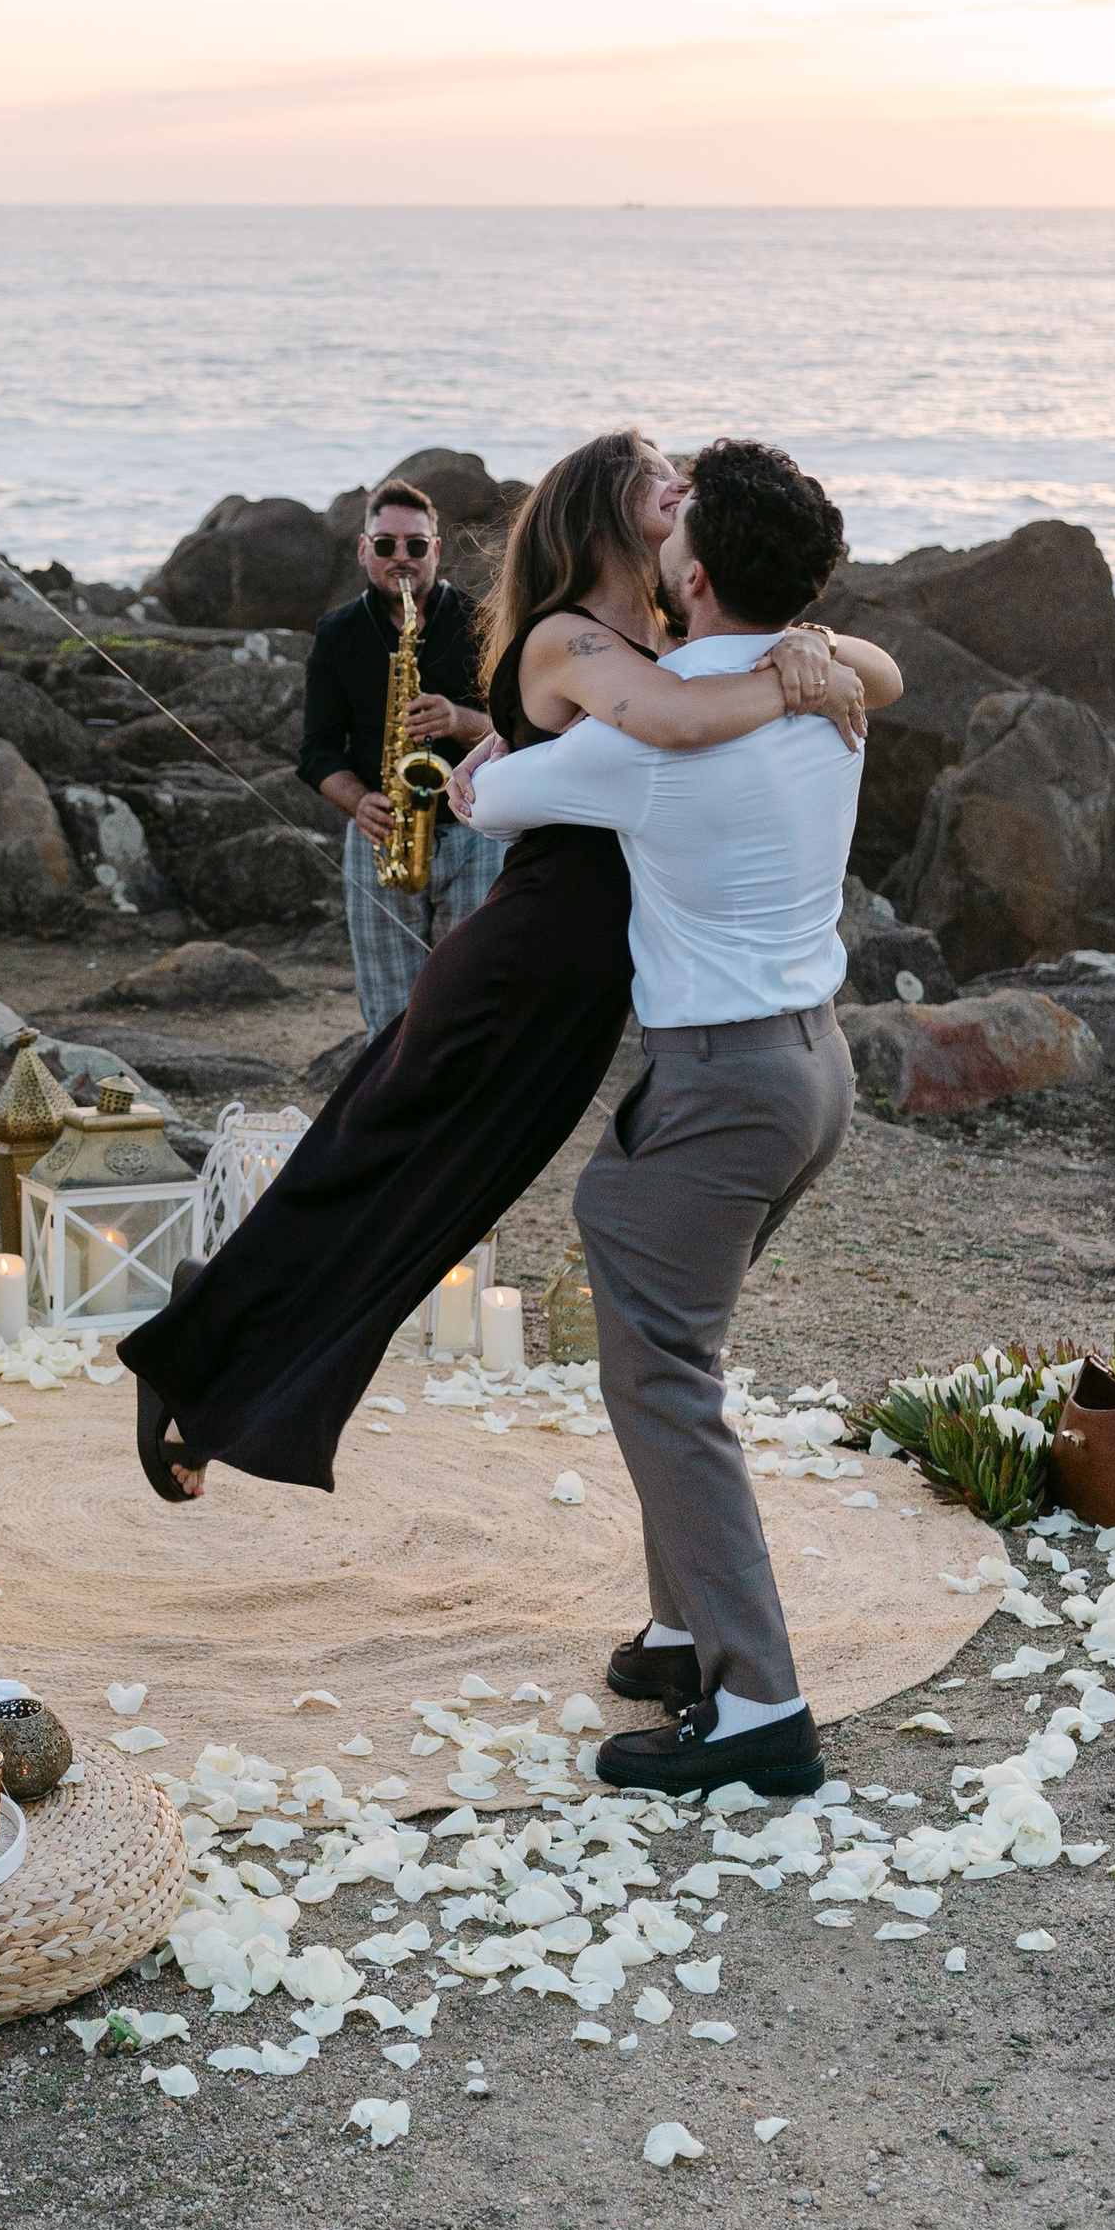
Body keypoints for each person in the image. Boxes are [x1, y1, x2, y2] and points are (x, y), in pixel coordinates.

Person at [122, 430, 902, 1503]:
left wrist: (808, 646)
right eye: (656, 479)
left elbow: (856, 674)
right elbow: (676, 722)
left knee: (438, 1205)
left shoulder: (663, 632)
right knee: (368, 1166)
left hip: (583, 986)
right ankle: (194, 1353)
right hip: (518, 963)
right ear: (603, 512)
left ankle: (216, 1365)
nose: (679, 490)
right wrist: (791, 670)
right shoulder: (563, 639)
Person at [450, 437, 872, 1804]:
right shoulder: (823, 688)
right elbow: (866, 666)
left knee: (666, 1376)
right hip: (815, 1073)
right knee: (666, 1341)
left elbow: (492, 799)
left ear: (689, 573)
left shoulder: (650, 729)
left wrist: (486, 760)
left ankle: (759, 1701)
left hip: (723, 1088)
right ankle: (686, 1627)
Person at [297, 477, 498, 1038]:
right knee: (388, 1016)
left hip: (474, 830)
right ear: (364, 550)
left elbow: (522, 732)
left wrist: (460, 721)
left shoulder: (482, 624)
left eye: (415, 544)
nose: (401, 557)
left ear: (436, 549)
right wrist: (360, 803)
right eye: (385, 545)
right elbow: (316, 751)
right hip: (381, 834)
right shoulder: (338, 634)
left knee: (469, 998)